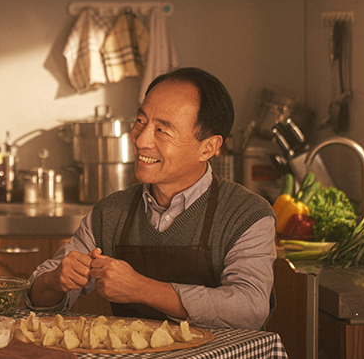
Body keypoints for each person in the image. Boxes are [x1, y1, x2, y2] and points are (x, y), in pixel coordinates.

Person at [27, 67, 277, 331]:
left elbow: (250, 309)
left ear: (208, 148)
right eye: (140, 121)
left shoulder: (247, 213)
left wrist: (142, 288)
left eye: (162, 130)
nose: (141, 139)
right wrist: (54, 281)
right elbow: (35, 299)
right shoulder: (110, 213)